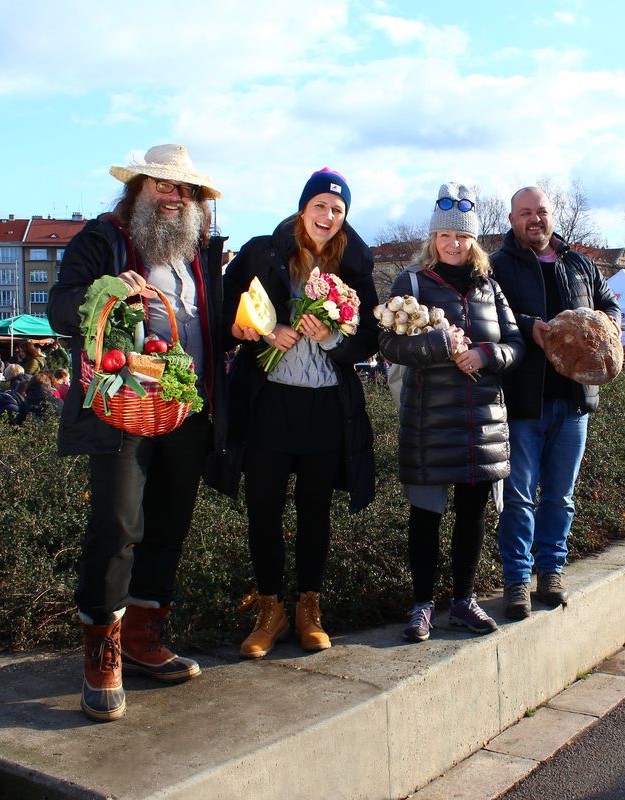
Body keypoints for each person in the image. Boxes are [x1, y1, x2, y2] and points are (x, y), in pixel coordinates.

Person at [48, 143, 227, 722]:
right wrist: (108, 291)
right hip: (121, 407)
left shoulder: (200, 253)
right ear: (139, 189)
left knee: (169, 524)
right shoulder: (101, 240)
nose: (175, 198)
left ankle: (146, 635)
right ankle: (102, 651)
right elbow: (60, 308)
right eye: (164, 186)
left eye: (185, 190)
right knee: (117, 524)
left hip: (184, 409)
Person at [222, 168, 378, 658]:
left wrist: (331, 338)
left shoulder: (355, 264)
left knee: (315, 511)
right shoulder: (260, 252)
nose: (328, 216)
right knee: (263, 507)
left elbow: (370, 337)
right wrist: (263, 333)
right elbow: (229, 310)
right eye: (320, 206)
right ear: (303, 207)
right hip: (269, 402)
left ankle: (309, 606)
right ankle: (270, 609)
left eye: (337, 210)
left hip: (325, 406)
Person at [379, 184, 523, 642]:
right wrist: (440, 345)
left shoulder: (490, 288)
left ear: (474, 241)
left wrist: (485, 355)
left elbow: (516, 345)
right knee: (425, 516)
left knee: (472, 515)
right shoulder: (413, 283)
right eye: (445, 235)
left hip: (482, 420)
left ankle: (463, 600)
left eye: (462, 236)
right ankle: (422, 603)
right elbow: (388, 343)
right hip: (429, 419)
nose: (453, 243)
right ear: (434, 237)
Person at [490, 185, 622, 620]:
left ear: (552, 215)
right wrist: (529, 326)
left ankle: (551, 572)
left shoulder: (580, 263)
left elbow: (608, 307)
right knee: (520, 496)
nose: (535, 219)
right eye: (525, 212)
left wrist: (609, 327)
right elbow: (489, 317)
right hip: (524, 401)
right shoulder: (498, 266)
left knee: (561, 497)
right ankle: (516, 580)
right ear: (512, 220)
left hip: (574, 402)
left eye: (542, 211)